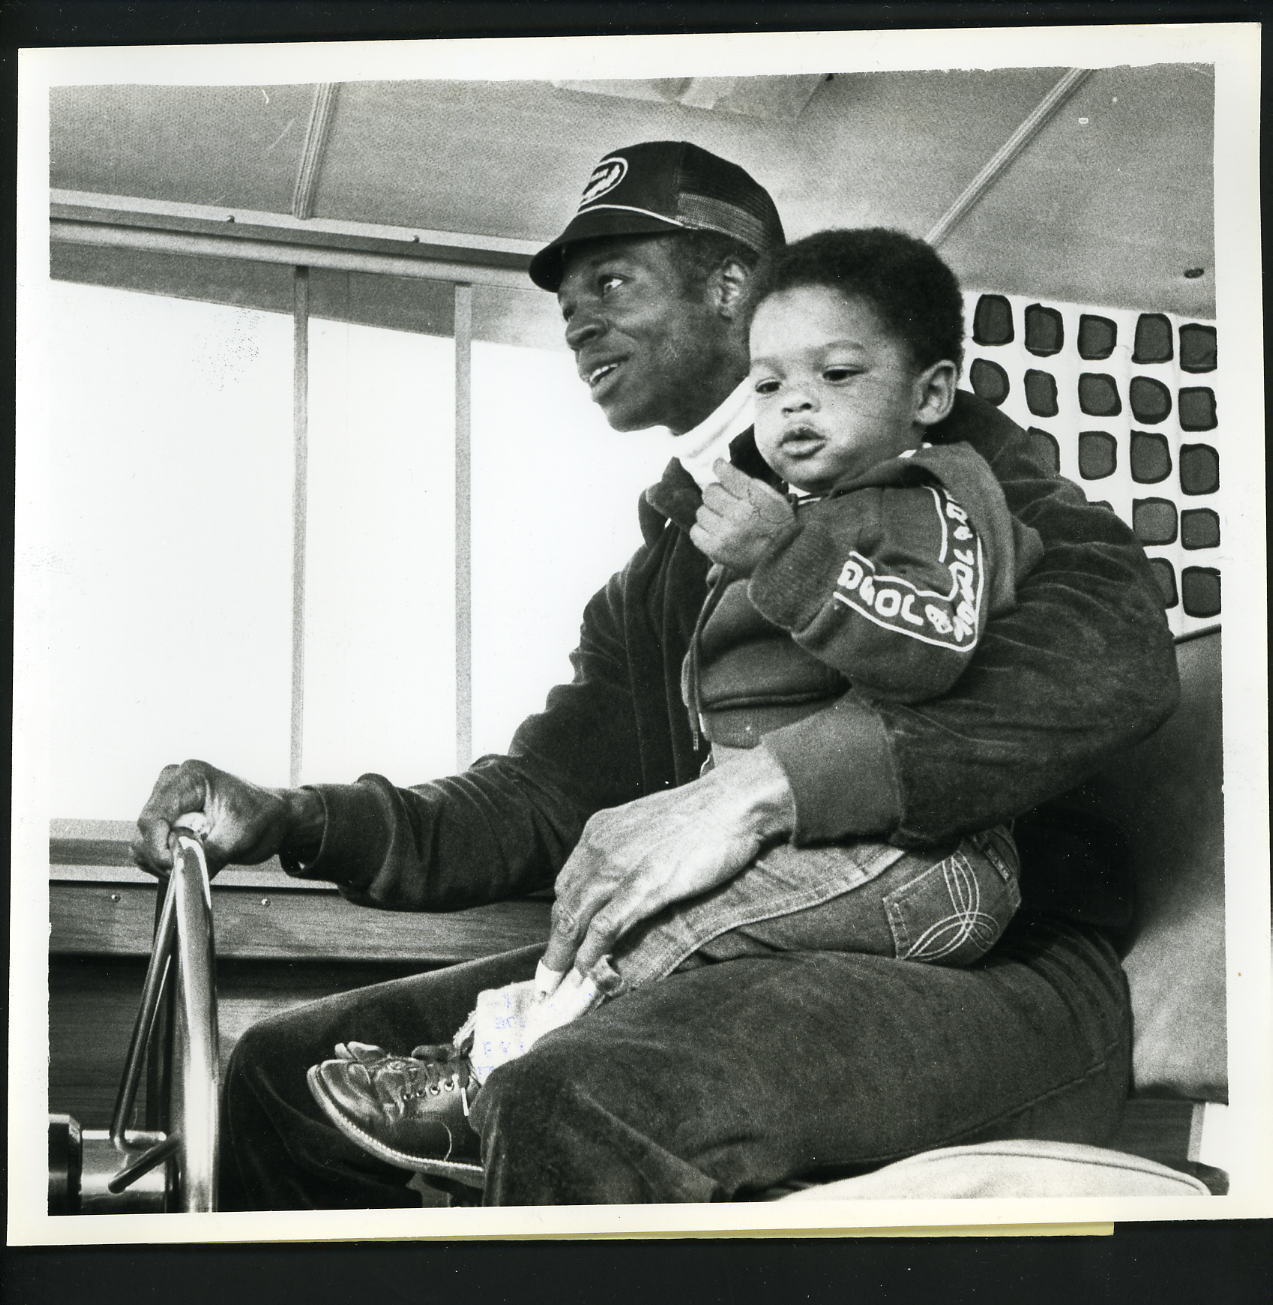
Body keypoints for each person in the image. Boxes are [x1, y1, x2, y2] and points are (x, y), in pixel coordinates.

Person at [132, 140, 1178, 1208]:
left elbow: (1112, 662)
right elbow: (539, 798)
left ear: (733, 288)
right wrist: (292, 818)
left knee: (575, 1091)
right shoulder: (669, 564)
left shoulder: (951, 461)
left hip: (994, 962)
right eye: (567, 300)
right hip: (741, 955)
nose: (577, 320)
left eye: (612, 282)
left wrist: (760, 791)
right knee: (275, 1075)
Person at [302, 227, 1048, 1176]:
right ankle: (472, 1064)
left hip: (925, 863)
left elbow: (933, 643)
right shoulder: (760, 520)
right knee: (623, 895)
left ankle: (481, 1084)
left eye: (838, 375)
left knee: (662, 919)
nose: (795, 405)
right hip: (831, 852)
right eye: (772, 385)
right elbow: (560, 774)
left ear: (930, 394)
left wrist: (785, 556)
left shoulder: (936, 492)